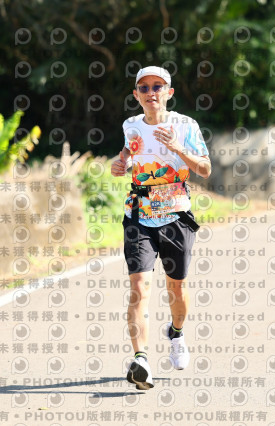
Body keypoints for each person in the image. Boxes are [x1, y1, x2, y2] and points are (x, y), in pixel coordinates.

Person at [110, 66, 211, 390]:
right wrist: (120, 163)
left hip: (176, 214)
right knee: (139, 287)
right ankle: (140, 360)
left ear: (169, 92)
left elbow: (205, 169)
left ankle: (176, 333)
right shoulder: (130, 125)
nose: (151, 92)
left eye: (157, 86)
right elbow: (129, 155)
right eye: (144, 87)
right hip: (138, 214)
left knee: (176, 289)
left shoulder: (186, 125)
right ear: (136, 94)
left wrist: (177, 148)